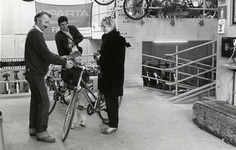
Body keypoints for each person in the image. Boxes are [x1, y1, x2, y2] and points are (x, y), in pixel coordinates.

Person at [24, 10, 74, 143]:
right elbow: (45, 54)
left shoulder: (34, 34)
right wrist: (64, 62)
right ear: (38, 20)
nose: (47, 25)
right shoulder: (35, 34)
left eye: (48, 22)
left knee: (36, 101)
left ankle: (33, 128)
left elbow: (44, 52)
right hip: (36, 74)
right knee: (45, 102)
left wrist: (58, 57)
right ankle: (42, 132)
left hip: (32, 73)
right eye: (45, 22)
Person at [94, 16, 130, 134]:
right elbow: (108, 55)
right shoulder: (108, 39)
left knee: (112, 101)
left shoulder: (117, 40)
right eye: (102, 26)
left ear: (111, 25)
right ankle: (111, 120)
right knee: (109, 100)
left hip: (113, 76)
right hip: (108, 75)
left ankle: (113, 125)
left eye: (104, 26)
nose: (102, 28)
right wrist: (100, 54)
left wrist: (101, 58)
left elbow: (115, 60)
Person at [62, 51, 89, 129]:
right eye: (77, 56)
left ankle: (83, 120)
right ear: (72, 58)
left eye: (80, 56)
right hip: (73, 89)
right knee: (73, 106)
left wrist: (83, 85)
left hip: (82, 89)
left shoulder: (83, 68)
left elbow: (86, 78)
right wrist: (74, 84)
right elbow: (66, 79)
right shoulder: (70, 68)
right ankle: (72, 121)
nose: (79, 57)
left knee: (82, 105)